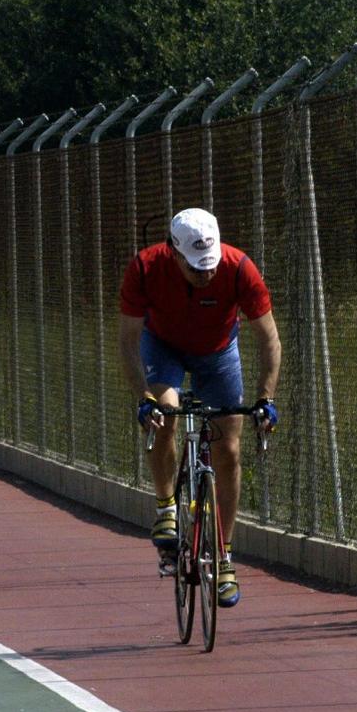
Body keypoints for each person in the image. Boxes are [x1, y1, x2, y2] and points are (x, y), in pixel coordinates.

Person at [118, 208, 281, 607]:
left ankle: (224, 555)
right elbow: (127, 341)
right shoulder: (144, 267)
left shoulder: (239, 267)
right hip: (163, 347)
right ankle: (166, 507)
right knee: (166, 416)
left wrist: (266, 398)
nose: (205, 275)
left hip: (218, 351)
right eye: (195, 268)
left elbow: (270, 340)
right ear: (173, 253)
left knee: (228, 450)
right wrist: (144, 398)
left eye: (210, 266)